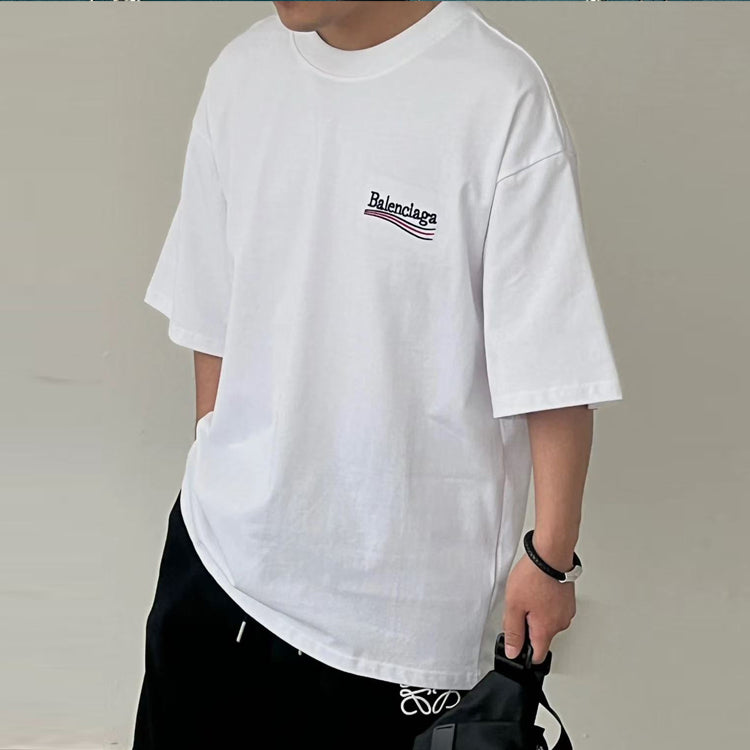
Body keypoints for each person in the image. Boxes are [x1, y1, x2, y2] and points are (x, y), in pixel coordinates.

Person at [134, 1, 623, 748]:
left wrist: (550, 561)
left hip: (397, 624)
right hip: (217, 568)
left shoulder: (498, 96)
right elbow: (212, 315)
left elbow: (551, 366)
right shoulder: (242, 73)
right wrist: (218, 462)